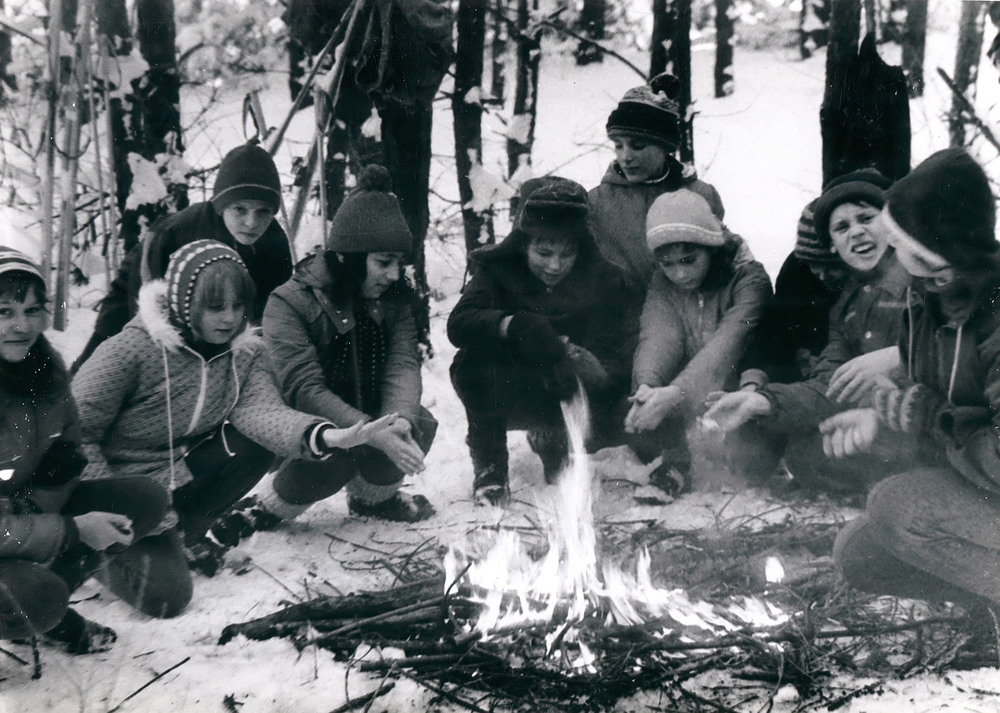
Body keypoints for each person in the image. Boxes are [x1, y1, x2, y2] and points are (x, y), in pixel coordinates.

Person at [72, 241, 389, 616]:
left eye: (238, 306)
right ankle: (82, 551)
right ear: (182, 303)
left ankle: (182, 537)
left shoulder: (243, 354)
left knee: (252, 446)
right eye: (215, 306)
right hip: (113, 490)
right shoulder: (130, 351)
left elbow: (262, 412)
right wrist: (101, 513)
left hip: (174, 477)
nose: (228, 318)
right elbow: (76, 434)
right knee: (166, 598)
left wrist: (326, 434)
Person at [817, 149, 1000, 620]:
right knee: (860, 552)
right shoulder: (928, 298)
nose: (889, 250)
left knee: (898, 508)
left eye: (899, 240)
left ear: (929, 249)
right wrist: (882, 417)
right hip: (984, 489)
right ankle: (988, 606)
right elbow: (936, 397)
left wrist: (922, 414)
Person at [242, 165, 437, 530]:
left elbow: (402, 365)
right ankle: (269, 505)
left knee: (418, 422)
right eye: (383, 262)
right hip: (307, 430)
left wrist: (399, 423)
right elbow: (303, 389)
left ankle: (373, 501)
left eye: (399, 263)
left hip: (369, 416)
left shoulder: (394, 299)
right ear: (349, 256)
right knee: (336, 453)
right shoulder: (289, 303)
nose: (394, 275)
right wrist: (367, 433)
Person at [0, 247, 170, 653]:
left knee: (141, 500)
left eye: (32, 309)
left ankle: (47, 604)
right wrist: (71, 529)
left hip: (22, 517)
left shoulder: (44, 367)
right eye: (4, 311)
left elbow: (68, 454)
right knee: (36, 597)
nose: (21, 325)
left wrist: (35, 509)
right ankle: (36, 607)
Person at [706, 169, 916, 494]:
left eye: (866, 218)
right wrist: (759, 401)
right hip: (892, 423)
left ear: (892, 221)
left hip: (952, 424)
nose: (856, 233)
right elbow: (829, 386)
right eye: (842, 227)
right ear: (833, 245)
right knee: (806, 452)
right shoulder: (848, 307)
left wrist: (899, 357)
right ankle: (895, 487)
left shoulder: (930, 274)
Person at [447, 176, 633, 506]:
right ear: (524, 244)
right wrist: (513, 325)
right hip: (512, 384)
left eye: (567, 253)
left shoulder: (602, 278)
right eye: (543, 252)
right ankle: (490, 466)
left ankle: (557, 441)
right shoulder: (499, 268)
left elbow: (616, 349)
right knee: (471, 363)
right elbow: (459, 324)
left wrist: (587, 362)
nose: (554, 265)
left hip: (573, 391)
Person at [72, 140, 293, 371]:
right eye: (240, 209)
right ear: (221, 205)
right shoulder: (179, 233)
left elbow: (270, 315)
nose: (251, 222)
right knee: (101, 367)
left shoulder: (274, 242)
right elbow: (151, 311)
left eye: (263, 212)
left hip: (214, 316)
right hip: (139, 285)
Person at [624, 190, 771, 494]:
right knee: (644, 423)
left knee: (751, 463)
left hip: (743, 381)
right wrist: (647, 386)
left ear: (710, 247)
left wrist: (676, 393)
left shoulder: (748, 278)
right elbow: (658, 334)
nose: (679, 273)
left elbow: (729, 343)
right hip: (690, 387)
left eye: (689, 260)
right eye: (668, 264)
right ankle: (676, 465)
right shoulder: (662, 284)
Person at [743, 199, 847, 385]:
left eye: (833, 266)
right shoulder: (797, 269)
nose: (823, 275)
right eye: (815, 266)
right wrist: (755, 378)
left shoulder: (861, 283)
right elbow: (776, 328)